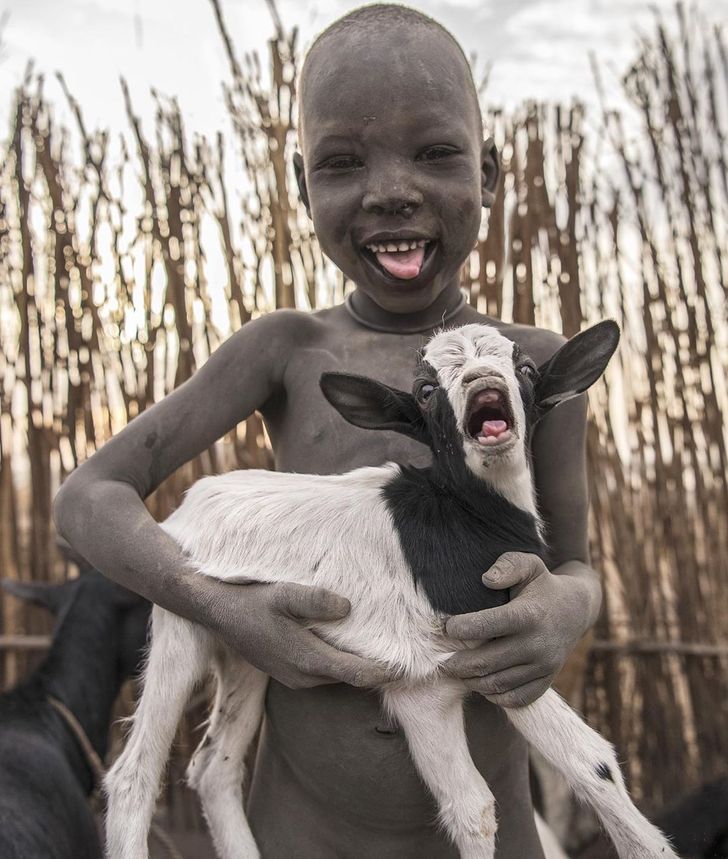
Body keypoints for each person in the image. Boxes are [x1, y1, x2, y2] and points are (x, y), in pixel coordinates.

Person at [54, 5, 602, 857]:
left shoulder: (535, 370)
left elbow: (576, 564)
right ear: (301, 180)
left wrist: (565, 607)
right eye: (343, 163)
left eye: (434, 152)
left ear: (489, 173)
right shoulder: (287, 353)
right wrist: (224, 610)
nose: (391, 190)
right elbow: (87, 498)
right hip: (299, 837)